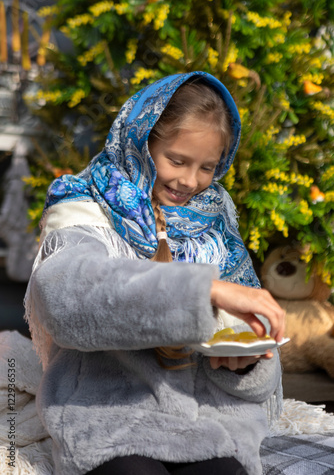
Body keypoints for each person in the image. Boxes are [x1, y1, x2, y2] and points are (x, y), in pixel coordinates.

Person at [25, 71, 285, 475]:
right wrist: (202, 293)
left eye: (206, 168)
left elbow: (252, 361)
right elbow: (66, 298)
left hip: (211, 424)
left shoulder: (215, 221)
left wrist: (246, 362)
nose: (189, 181)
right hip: (112, 418)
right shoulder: (87, 206)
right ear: (141, 141)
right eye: (177, 160)